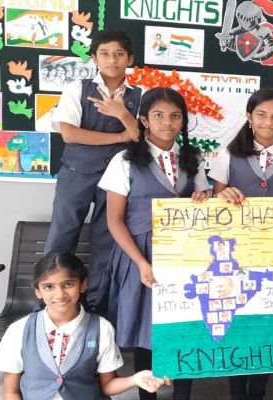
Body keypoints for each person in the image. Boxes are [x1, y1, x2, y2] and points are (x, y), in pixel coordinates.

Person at [97, 87, 209, 400]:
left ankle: (183, 394)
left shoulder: (193, 159)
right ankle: (148, 395)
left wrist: (204, 198)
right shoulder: (124, 160)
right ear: (144, 120)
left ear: (183, 121)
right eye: (158, 115)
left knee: (185, 324)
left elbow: (203, 202)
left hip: (183, 256)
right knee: (146, 330)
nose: (167, 123)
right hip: (140, 256)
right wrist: (141, 263)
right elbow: (114, 221)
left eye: (175, 116)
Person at [210, 87, 273, 400]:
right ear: (249, 116)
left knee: (265, 326)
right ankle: (236, 393)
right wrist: (221, 196)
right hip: (234, 260)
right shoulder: (228, 155)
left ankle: (257, 391)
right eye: (261, 115)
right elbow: (213, 206)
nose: (268, 122)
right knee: (236, 325)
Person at [45, 29, 142, 313]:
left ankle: (98, 306)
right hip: (76, 172)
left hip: (117, 179)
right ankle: (51, 305)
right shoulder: (78, 88)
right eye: (104, 53)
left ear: (129, 59)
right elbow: (69, 134)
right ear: (94, 58)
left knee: (106, 239)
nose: (112, 60)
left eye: (119, 54)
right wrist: (120, 136)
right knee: (62, 235)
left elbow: (139, 136)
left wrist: (122, 114)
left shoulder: (140, 96)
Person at [0, 253, 168, 399]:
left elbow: (107, 385)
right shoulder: (19, 330)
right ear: (38, 291)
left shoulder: (102, 328)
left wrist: (134, 379)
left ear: (83, 285)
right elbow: (10, 393)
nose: (60, 294)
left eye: (68, 284)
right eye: (49, 287)